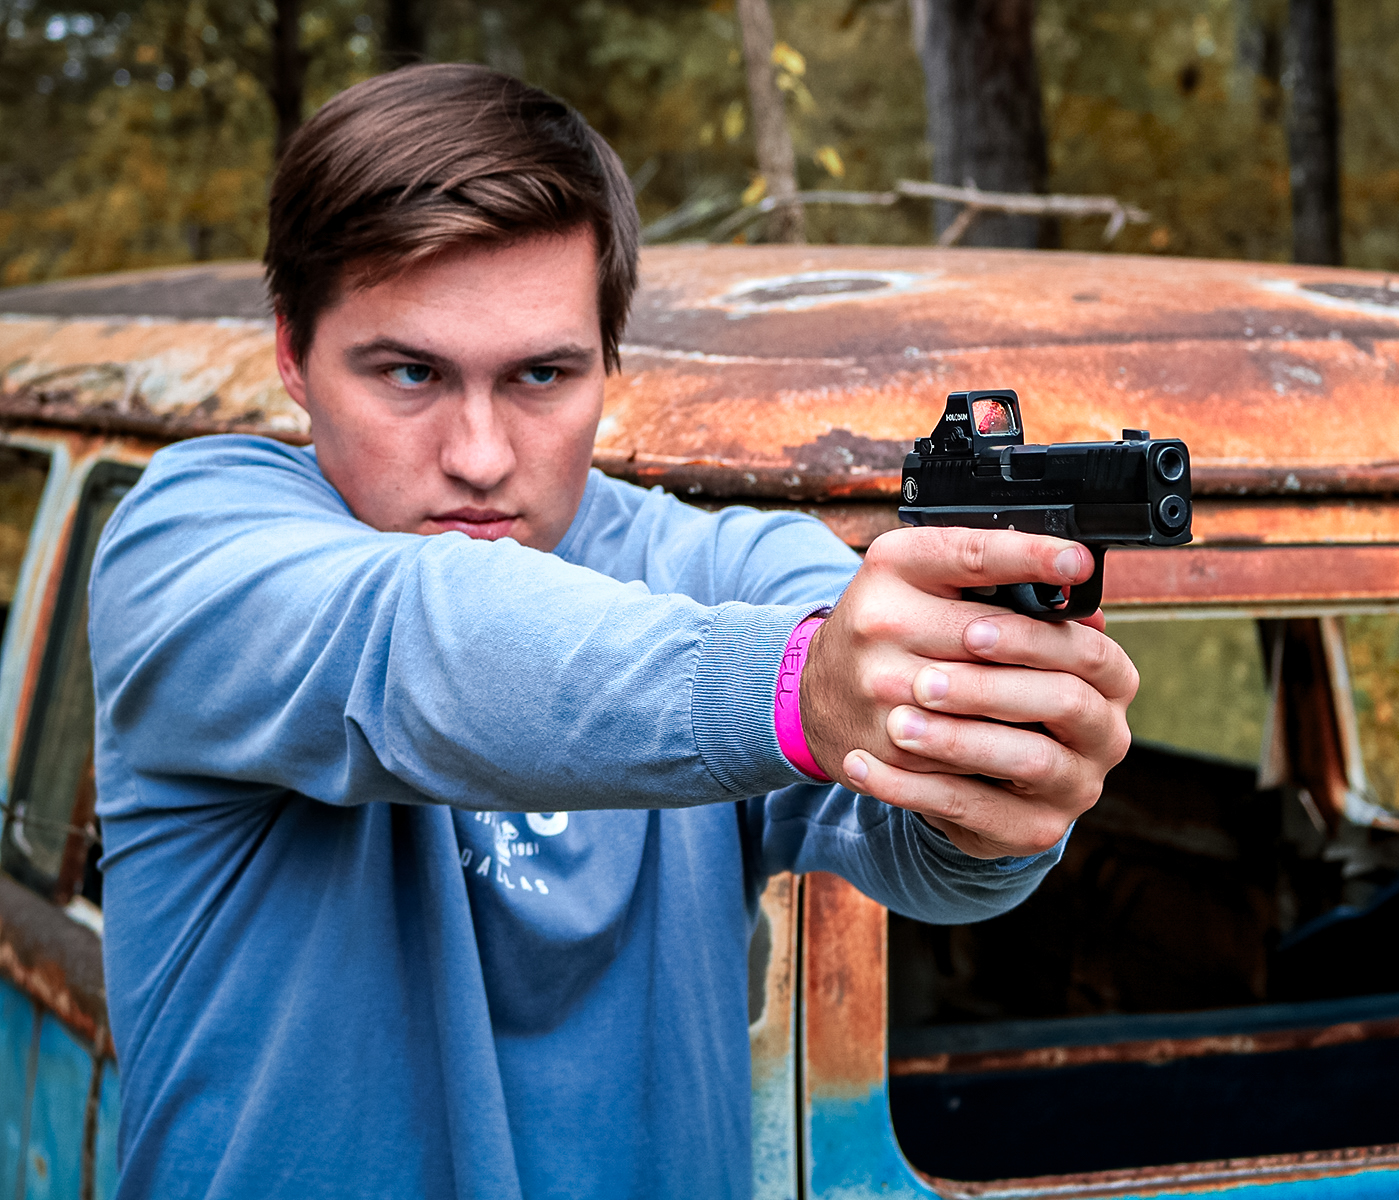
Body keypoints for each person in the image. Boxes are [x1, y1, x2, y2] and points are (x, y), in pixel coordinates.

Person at [88, 64, 1135, 1199]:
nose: (481, 455)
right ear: (292, 354)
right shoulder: (189, 546)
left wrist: (994, 776)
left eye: (543, 374)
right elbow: (416, 640)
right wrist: (799, 690)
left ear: (609, 365)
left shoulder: (710, 566)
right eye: (409, 373)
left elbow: (918, 843)